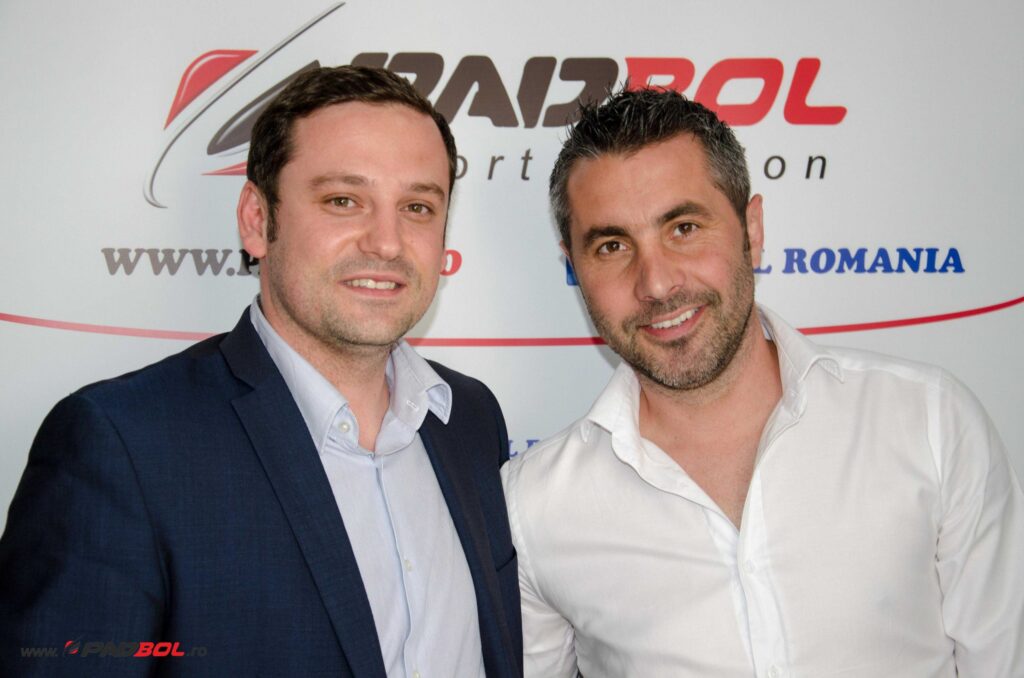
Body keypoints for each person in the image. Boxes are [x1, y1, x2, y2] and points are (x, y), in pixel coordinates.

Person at [0, 66, 521, 677]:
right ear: (256, 219)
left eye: (417, 207)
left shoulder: (469, 418)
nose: (387, 242)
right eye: (343, 200)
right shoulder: (122, 446)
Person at [502, 86, 1024, 677]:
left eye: (684, 228)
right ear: (574, 264)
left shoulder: (929, 424)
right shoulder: (534, 506)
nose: (656, 283)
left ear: (752, 229)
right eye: (613, 245)